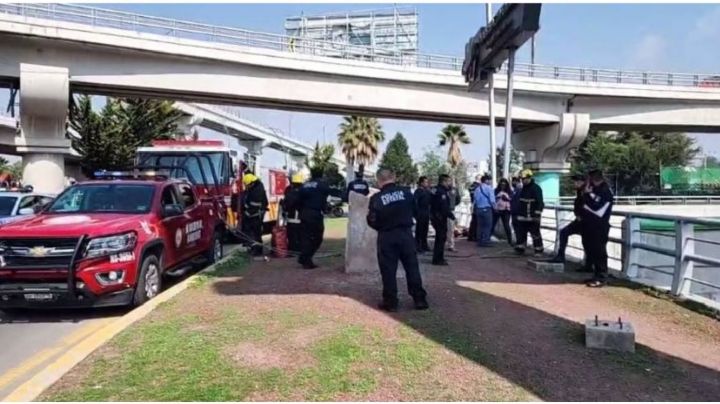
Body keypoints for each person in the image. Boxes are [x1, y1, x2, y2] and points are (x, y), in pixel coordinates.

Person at [367, 168, 429, 312]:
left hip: (387, 236)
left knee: (388, 270)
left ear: (378, 180)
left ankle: (391, 302)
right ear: (394, 177)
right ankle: (419, 299)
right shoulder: (407, 193)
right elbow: (416, 211)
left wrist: (381, 227)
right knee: (412, 267)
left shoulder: (376, 198)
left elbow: (372, 220)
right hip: (406, 234)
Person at [297, 166, 336, 269]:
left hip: (304, 213)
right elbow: (331, 194)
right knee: (317, 237)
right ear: (321, 174)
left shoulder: (304, 185)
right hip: (315, 214)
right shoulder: (322, 185)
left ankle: (305, 258)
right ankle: (306, 258)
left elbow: (298, 199)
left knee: (305, 237)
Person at [583, 169, 614, 287]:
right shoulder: (595, 190)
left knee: (599, 251)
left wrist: (587, 200)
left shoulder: (605, 191)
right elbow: (592, 200)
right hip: (591, 224)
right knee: (592, 250)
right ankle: (596, 275)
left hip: (600, 225)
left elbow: (599, 211)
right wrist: (588, 194)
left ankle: (602, 277)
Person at [549, 174, 589, 264]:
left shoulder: (586, 192)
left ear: (582, 182)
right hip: (579, 220)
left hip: (586, 221)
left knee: (587, 241)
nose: (574, 184)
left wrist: (581, 216)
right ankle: (560, 256)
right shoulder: (580, 191)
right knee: (564, 232)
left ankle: (589, 264)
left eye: (576, 182)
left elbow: (587, 206)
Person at [514, 169, 545, 256]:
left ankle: (538, 250)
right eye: (522, 179)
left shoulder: (536, 188)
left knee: (535, 233)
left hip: (533, 216)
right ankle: (520, 248)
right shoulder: (523, 189)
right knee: (521, 233)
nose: (523, 181)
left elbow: (540, 202)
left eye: (524, 179)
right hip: (523, 215)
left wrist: (537, 214)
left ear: (529, 178)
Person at [242, 173, 268, 256]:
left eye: (247, 185)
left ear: (252, 183)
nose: (246, 187)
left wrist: (246, 214)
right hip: (255, 213)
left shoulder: (256, 192)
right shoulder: (257, 186)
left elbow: (254, 206)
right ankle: (256, 249)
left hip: (255, 215)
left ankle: (257, 250)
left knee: (255, 233)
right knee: (255, 233)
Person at [430, 174, 454, 266]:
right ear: (443, 181)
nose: (449, 183)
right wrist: (451, 215)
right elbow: (444, 207)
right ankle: (438, 259)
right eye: (448, 181)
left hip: (435, 216)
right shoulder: (442, 192)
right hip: (440, 217)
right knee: (441, 238)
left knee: (440, 238)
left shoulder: (435, 190)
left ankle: (438, 257)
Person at [282, 173, 304, 254]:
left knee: (292, 235)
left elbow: (288, 203)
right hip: (302, 217)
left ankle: (293, 251)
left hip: (293, 217)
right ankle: (300, 249)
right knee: (300, 234)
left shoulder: (291, 191)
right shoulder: (304, 190)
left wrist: (284, 206)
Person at [473, 174, 496, 246]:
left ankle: (479, 240)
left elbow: (475, 200)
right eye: (490, 180)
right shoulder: (489, 188)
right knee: (487, 225)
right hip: (487, 209)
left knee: (480, 225)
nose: (490, 182)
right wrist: (495, 208)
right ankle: (485, 241)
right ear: (486, 180)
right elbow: (492, 200)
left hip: (478, 209)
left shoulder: (477, 189)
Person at [492, 178, 514, 246]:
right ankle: (487, 238)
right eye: (501, 184)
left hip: (506, 210)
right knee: (493, 224)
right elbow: (493, 198)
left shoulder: (510, 191)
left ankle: (510, 240)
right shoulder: (496, 190)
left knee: (506, 225)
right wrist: (498, 196)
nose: (503, 186)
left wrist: (507, 198)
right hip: (497, 209)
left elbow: (512, 199)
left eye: (504, 184)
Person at [413, 176, 432, 253]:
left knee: (425, 230)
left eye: (427, 182)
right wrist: (416, 214)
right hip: (420, 213)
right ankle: (418, 246)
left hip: (426, 213)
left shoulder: (427, 191)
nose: (426, 184)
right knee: (419, 231)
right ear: (421, 183)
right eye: (425, 182)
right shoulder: (418, 191)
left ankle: (424, 245)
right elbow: (415, 203)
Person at [446, 179, 461, 252]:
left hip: (451, 210)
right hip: (442, 211)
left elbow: (458, 199)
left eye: (452, 181)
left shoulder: (455, 190)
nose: (451, 183)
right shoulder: (443, 190)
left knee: (451, 229)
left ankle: (451, 245)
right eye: (449, 181)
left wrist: (453, 205)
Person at [467, 175, 482, 242]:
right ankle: (475, 236)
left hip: (473, 203)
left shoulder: (471, 186)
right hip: (477, 204)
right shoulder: (479, 187)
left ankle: (471, 236)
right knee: (476, 221)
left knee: (473, 221)